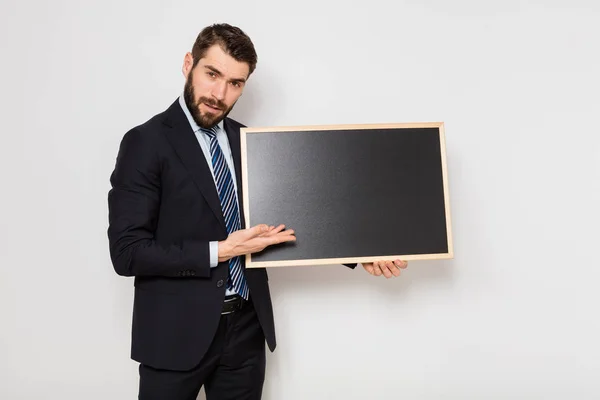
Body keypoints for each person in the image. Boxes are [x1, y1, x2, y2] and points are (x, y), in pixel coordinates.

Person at [107, 23, 408, 400]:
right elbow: (127, 252)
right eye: (212, 74)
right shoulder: (145, 142)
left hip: (246, 329)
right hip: (174, 336)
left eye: (235, 83)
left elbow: (287, 221)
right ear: (189, 64)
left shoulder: (250, 142)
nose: (220, 94)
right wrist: (223, 250)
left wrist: (361, 252)